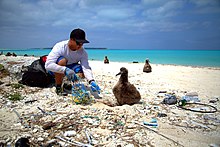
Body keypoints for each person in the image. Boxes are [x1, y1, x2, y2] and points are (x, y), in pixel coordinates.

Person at [45, 28, 100, 95]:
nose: (80, 46)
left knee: (82, 72)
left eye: (82, 44)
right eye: (78, 43)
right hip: (56, 69)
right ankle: (59, 87)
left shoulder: (83, 52)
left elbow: (86, 67)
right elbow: (48, 65)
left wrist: (91, 81)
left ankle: (67, 83)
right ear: (71, 39)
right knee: (62, 61)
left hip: (71, 68)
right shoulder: (60, 47)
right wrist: (65, 70)